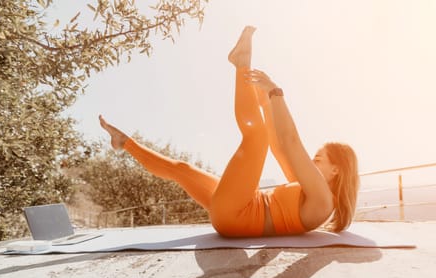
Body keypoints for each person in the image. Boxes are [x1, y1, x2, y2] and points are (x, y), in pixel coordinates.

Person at [99, 26, 359, 237]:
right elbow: (280, 148)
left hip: (238, 216)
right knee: (182, 170)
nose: (312, 163)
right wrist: (267, 105)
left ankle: (241, 64)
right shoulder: (311, 191)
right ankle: (124, 143)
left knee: (254, 137)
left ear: (336, 170)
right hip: (238, 209)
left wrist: (276, 93)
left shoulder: (322, 201)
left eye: (318, 159)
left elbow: (290, 142)